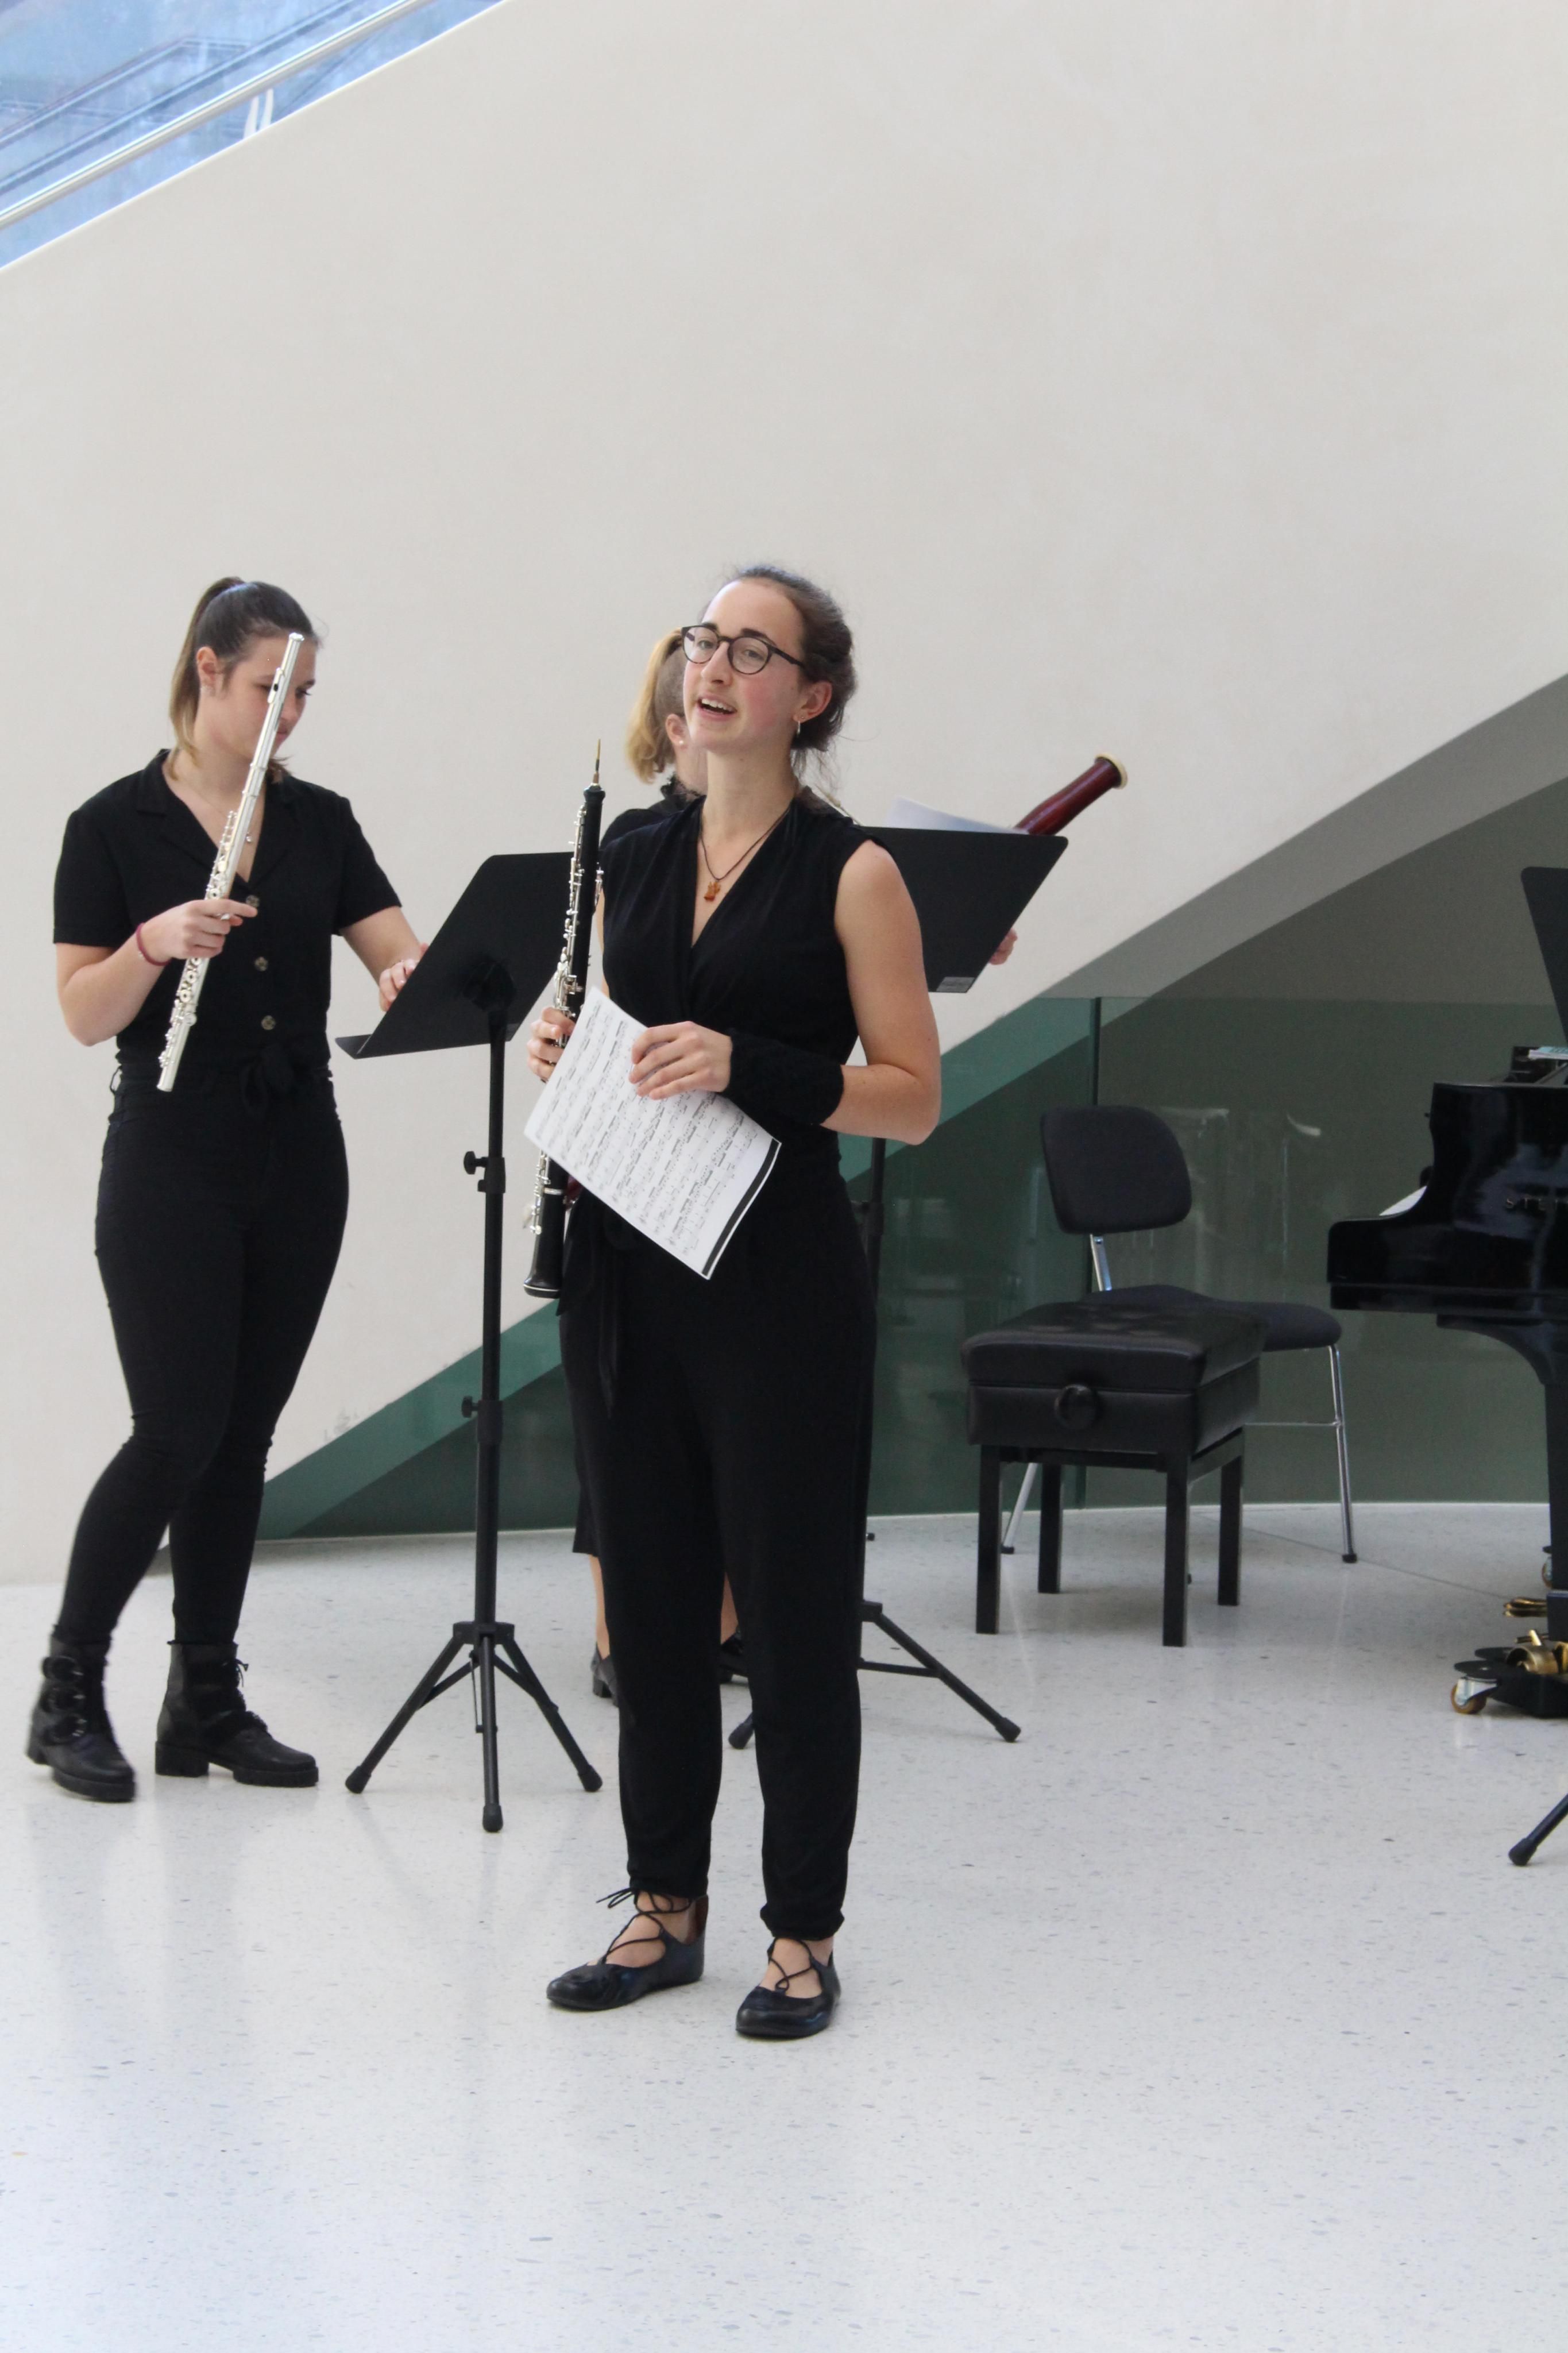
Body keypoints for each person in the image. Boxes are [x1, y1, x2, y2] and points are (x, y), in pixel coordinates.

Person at [530, 566, 940, 2039]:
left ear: (809, 697)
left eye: (751, 650)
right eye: (706, 639)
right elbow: (620, 1028)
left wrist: (744, 1062)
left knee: (791, 1610)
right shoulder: (632, 852)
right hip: (626, 1264)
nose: (711, 666)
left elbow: (913, 1095)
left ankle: (803, 1932)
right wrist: (570, 1044)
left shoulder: (855, 872)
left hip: (777, 1281)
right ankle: (663, 1905)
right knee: (648, 1606)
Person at [29, 578, 424, 1806]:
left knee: (242, 1437)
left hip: (299, 1150)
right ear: (207, 672)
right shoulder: (111, 826)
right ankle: (65, 1689)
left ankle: (203, 1695)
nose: (287, 715)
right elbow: (81, 1012)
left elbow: (394, 945)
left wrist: (410, 975)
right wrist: (152, 944)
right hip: (172, 1153)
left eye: (303, 695)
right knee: (177, 1429)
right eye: (270, 689)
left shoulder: (319, 821)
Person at [577, 630, 743, 1703]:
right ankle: (622, 1631)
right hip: (643, 1154)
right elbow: (607, 994)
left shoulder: (797, 845)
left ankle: (725, 1620)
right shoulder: (636, 844)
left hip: (746, 1158)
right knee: (624, 1407)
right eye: (693, 704)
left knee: (727, 1413)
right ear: (672, 726)